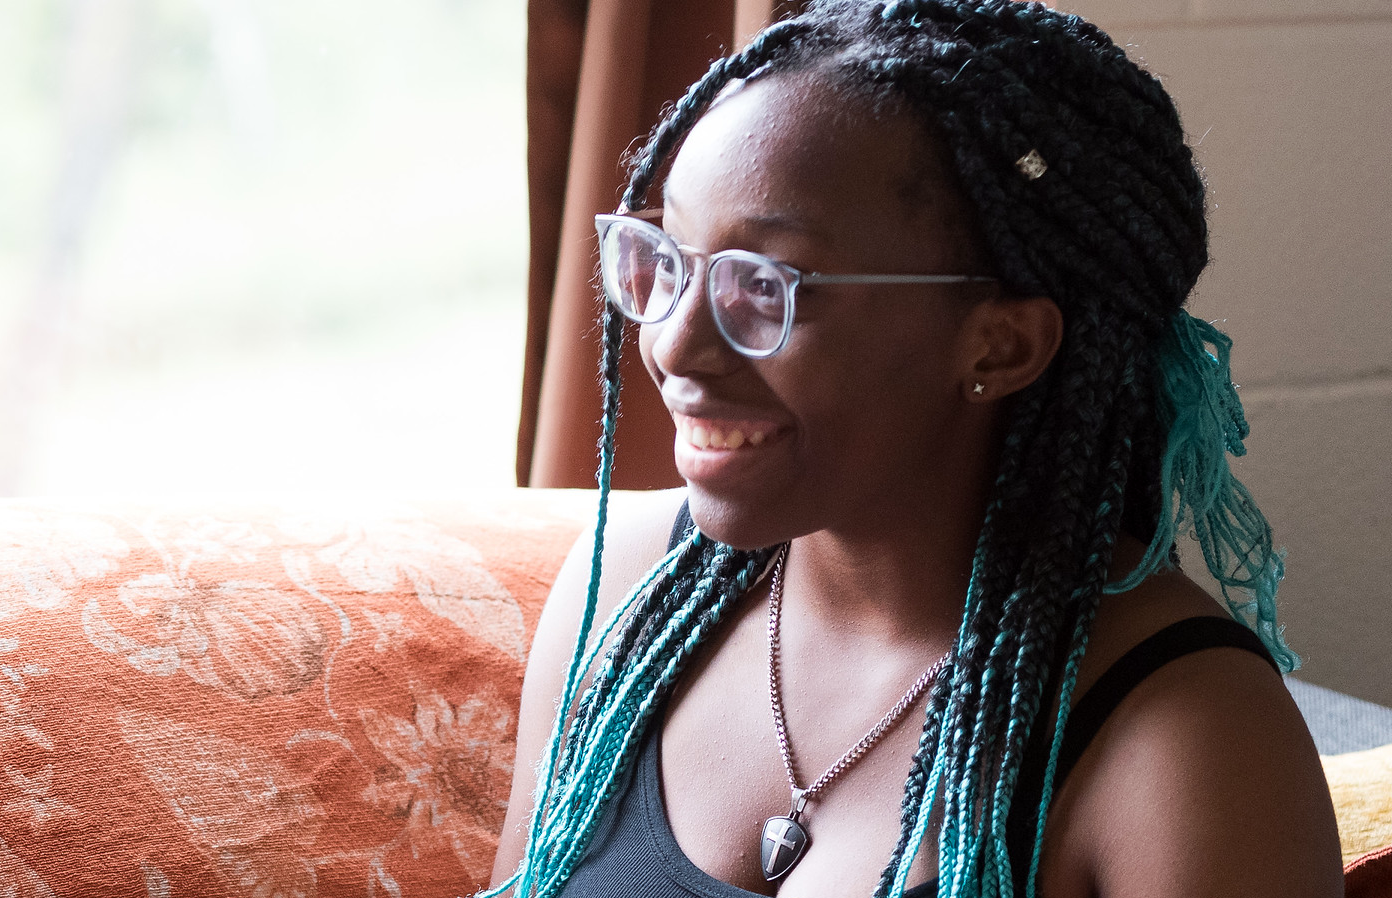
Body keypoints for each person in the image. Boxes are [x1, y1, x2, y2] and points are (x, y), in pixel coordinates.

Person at [488, 2, 1341, 896]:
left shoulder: (1186, 737)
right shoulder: (630, 591)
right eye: (666, 259)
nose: (673, 346)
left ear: (999, 346)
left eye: (766, 284)